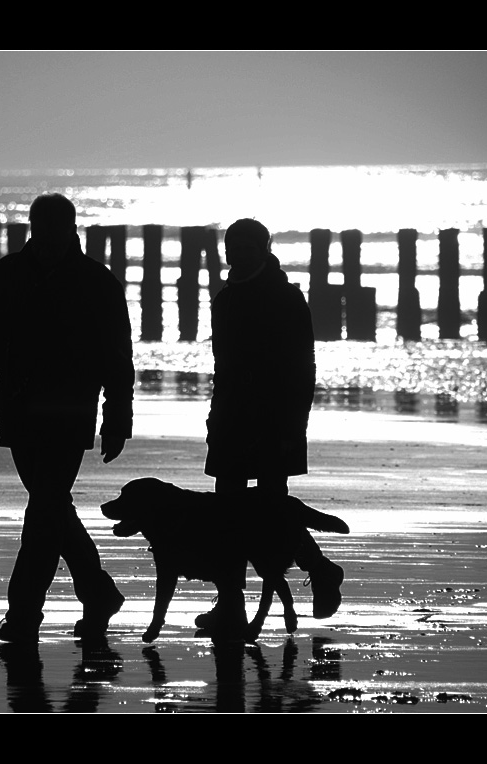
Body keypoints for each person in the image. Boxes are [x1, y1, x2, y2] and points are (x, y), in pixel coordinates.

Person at [0, 193, 134, 643]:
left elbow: (116, 356)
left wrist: (118, 415)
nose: (48, 236)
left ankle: (25, 613)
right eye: (41, 227)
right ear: (32, 227)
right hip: (19, 410)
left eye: (56, 228)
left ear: (72, 229)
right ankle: (97, 590)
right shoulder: (7, 275)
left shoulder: (97, 282)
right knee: (51, 506)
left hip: (70, 412)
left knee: (46, 505)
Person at [199, 217, 344, 640]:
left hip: (274, 420)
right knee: (228, 513)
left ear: (265, 248)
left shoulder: (285, 298)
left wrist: (294, 425)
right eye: (233, 246)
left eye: (247, 246)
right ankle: (231, 604)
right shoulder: (225, 298)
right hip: (230, 416)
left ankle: (318, 569)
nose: (238, 253)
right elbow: (222, 367)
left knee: (269, 511)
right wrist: (215, 415)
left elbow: (304, 369)